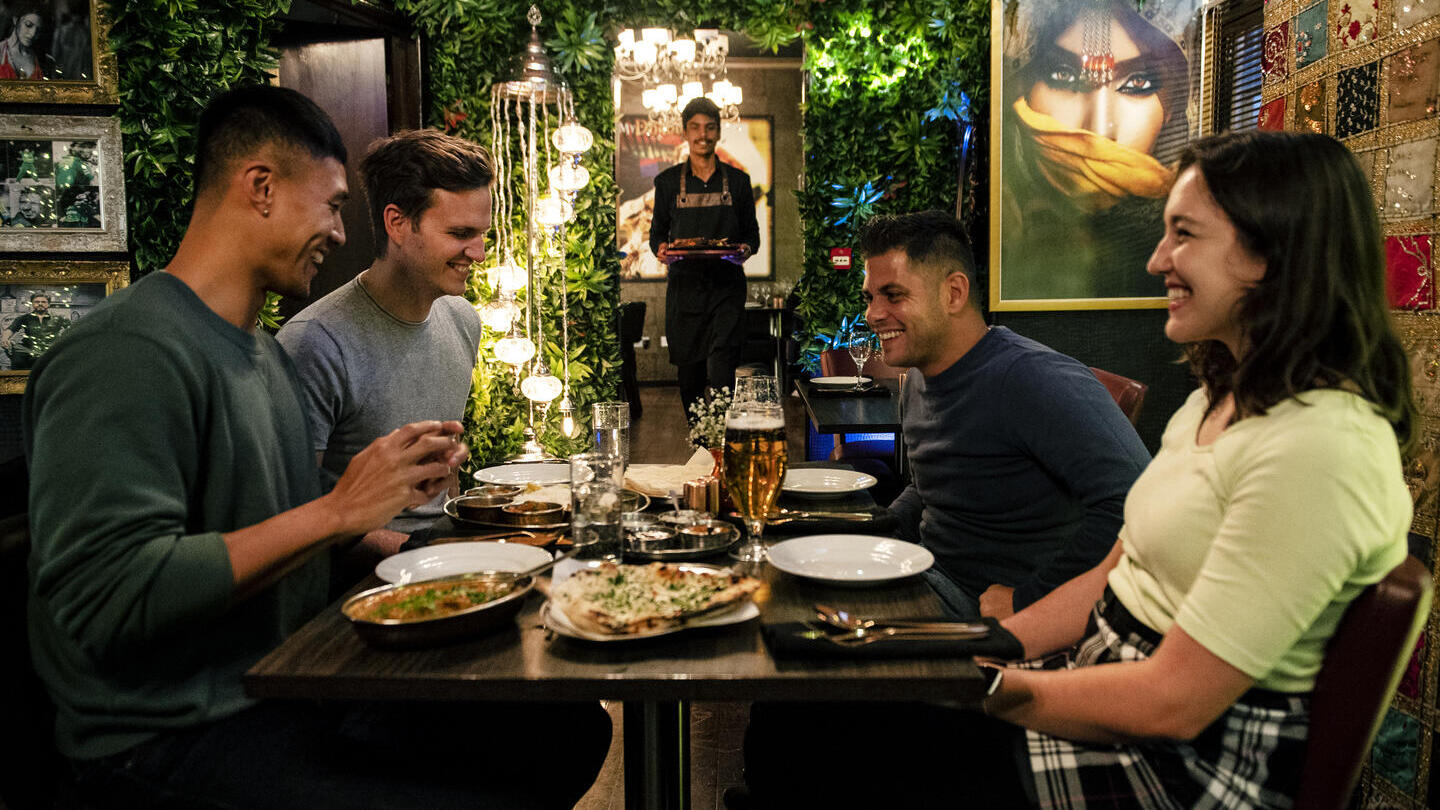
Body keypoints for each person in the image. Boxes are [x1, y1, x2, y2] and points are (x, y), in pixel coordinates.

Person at [742, 131, 1415, 809]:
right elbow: (1116, 570)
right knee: (803, 714)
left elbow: (1175, 705)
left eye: (1184, 234)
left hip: (1185, 770)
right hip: (1105, 687)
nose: (1156, 259)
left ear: (1274, 253)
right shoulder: (1218, 403)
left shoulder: (1318, 447)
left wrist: (977, 686)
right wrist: (993, 645)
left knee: (818, 740)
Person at [23, 85, 609, 810]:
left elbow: (289, 523)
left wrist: (398, 509)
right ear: (261, 187)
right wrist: (339, 511)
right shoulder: (124, 352)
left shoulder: (260, 355)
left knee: (565, 733)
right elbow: (105, 598)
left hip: (287, 685)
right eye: (331, 205)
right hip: (167, 733)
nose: (338, 232)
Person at [865, 210, 1150, 620]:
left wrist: (1030, 598)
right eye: (870, 298)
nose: (873, 314)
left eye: (893, 295)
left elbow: (1137, 503)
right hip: (927, 574)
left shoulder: (1032, 378)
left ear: (954, 293)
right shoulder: (917, 379)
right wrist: (872, 531)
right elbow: (931, 491)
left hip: (990, 613)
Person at [277, 129, 490, 556]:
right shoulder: (315, 343)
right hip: (357, 586)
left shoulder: (463, 319)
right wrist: (423, 552)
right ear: (397, 223)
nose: (479, 253)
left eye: (483, 234)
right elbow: (291, 519)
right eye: (460, 233)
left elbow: (442, 482)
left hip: (440, 562)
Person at [1000, 0, 1201, 301]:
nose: (1100, 129)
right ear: (1022, 88)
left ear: (1173, 104)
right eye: (1064, 76)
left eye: (1138, 82)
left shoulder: (1190, 243)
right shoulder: (1003, 226)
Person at [649, 96, 761, 418]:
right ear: (685, 132)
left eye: (710, 128)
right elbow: (657, 234)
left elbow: (751, 236)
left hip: (726, 290)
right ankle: (700, 438)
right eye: (696, 128)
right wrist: (662, 250)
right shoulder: (667, 182)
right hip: (684, 292)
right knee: (689, 378)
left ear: (718, 132)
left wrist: (744, 250)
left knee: (723, 371)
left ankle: (723, 434)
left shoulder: (738, 182)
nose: (703, 135)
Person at [1, 292, 67, 369]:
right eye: (37, 302)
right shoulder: (24, 318)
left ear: (48, 304)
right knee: (17, 361)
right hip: (27, 349)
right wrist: (5, 338)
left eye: (43, 302)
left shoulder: (58, 318)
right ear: (32, 304)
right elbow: (11, 329)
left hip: (50, 349)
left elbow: (72, 328)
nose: (40, 304)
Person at [0, 2, 47, 79]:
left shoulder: (41, 59)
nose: (32, 34)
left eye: (38, 30)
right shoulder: (1, 51)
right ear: (15, 20)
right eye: (28, 25)